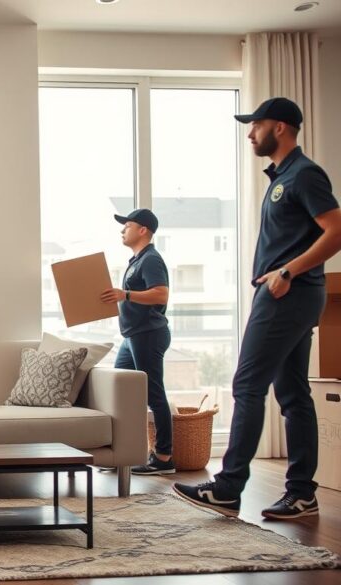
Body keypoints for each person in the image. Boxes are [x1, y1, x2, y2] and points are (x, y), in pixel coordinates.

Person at [174, 97, 341, 520]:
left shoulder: (304, 174)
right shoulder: (283, 177)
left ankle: (229, 488)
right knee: (292, 393)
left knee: (248, 385)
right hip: (289, 293)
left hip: (289, 293)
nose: (250, 133)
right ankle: (302, 494)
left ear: (280, 127)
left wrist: (286, 272)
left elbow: (337, 231)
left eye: (256, 125)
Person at [101, 208, 173, 475]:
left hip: (148, 334)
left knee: (153, 394)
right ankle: (122, 455)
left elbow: (161, 295)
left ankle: (164, 458)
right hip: (132, 336)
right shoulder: (137, 260)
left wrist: (125, 295)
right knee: (123, 393)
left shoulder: (151, 259)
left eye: (127, 225)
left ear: (143, 230)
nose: (122, 230)